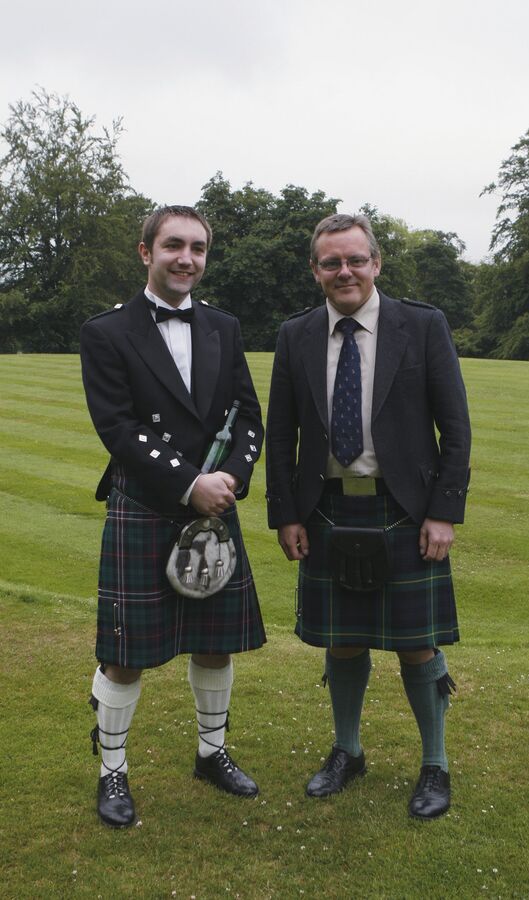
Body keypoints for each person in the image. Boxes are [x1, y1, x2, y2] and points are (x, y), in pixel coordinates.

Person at [265, 213, 471, 818]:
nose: (345, 271)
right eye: (332, 262)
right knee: (344, 640)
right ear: (316, 271)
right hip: (327, 508)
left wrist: (444, 512)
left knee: (417, 644)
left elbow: (454, 429)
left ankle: (435, 764)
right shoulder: (295, 334)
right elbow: (281, 436)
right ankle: (347, 752)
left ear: (376, 263)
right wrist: (286, 514)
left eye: (356, 260)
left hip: (405, 509)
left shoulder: (422, 325)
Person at [80, 205, 265, 828]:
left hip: (215, 507)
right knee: (126, 651)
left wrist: (231, 477)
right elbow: (118, 428)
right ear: (145, 253)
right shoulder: (106, 332)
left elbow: (246, 415)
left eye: (198, 248)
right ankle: (112, 771)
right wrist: (191, 484)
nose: (187, 258)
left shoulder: (224, 326)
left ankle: (211, 755)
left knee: (214, 644)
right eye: (173, 246)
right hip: (151, 504)